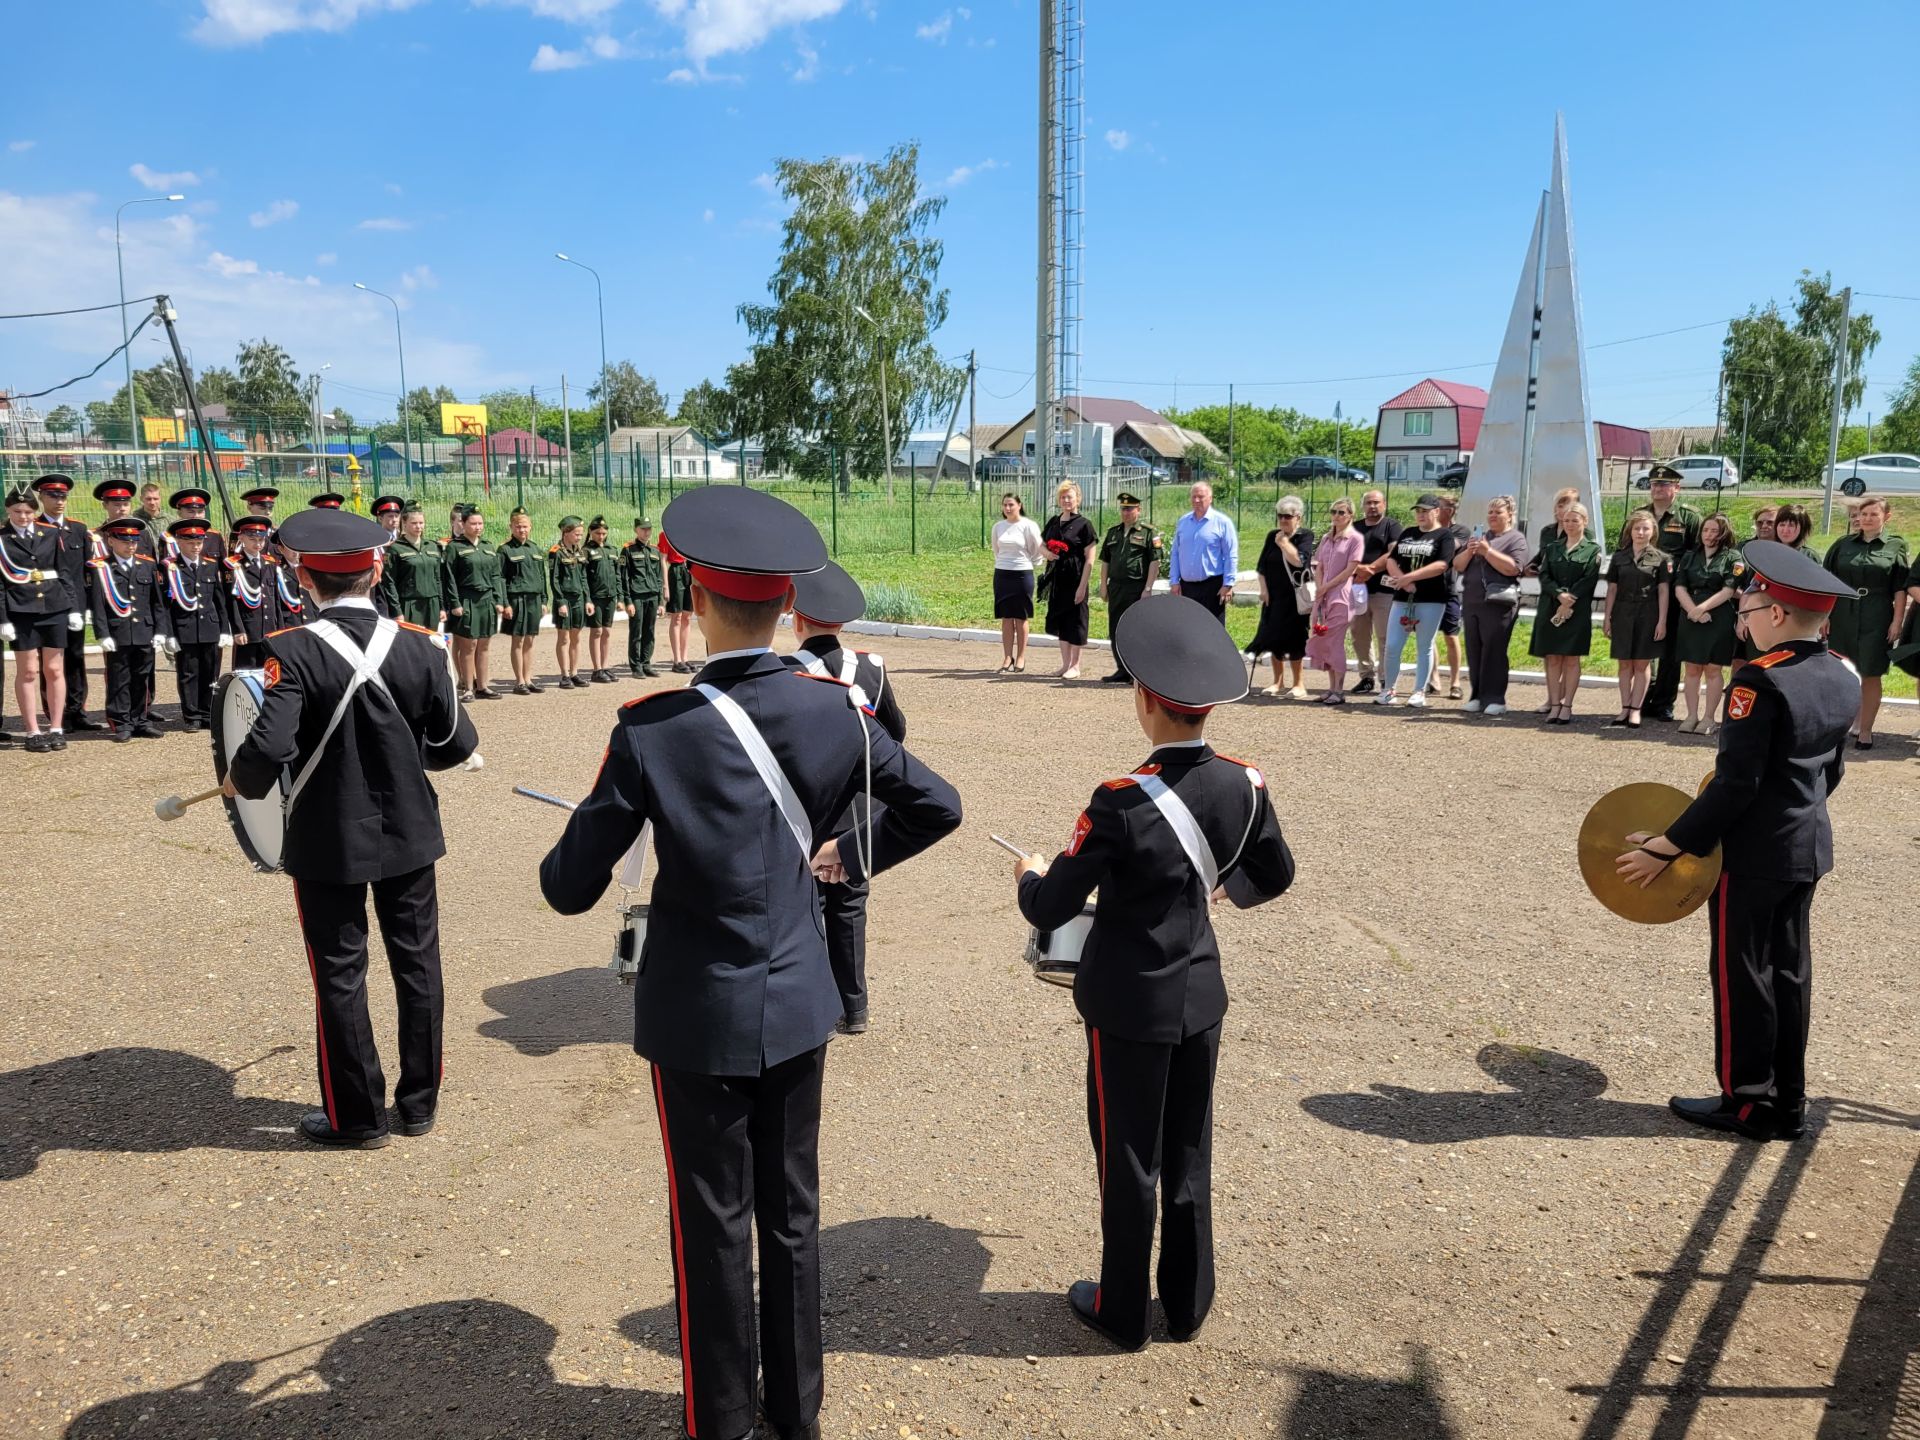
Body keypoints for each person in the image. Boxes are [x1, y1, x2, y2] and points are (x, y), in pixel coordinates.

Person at [538, 486, 961, 1440]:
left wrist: (600, 815)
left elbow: (567, 886)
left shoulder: (652, 727)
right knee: (794, 1216)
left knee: (711, 1222)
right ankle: (797, 1413)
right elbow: (938, 804)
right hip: (801, 996)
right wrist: (850, 856)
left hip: (695, 1013)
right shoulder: (837, 711)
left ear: (695, 601)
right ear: (783, 604)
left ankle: (721, 1421)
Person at [1015, 593, 1294, 1351]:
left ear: (1145, 701)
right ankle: (1188, 1298)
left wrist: (1028, 874)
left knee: (1129, 1157)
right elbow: (1276, 872)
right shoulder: (1246, 783)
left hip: (1129, 1002)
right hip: (1200, 993)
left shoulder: (1120, 802)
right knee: (1190, 1150)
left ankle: (1122, 1307)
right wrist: (1219, 891)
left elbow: (1051, 907)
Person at [224, 508, 479, 1149]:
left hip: (326, 836)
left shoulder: (290, 650)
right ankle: (419, 1105)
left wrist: (240, 777)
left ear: (305, 578)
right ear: (379, 567)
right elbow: (451, 744)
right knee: (419, 967)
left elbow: (270, 746)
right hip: (409, 834)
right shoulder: (422, 646)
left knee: (340, 972)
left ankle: (356, 1117)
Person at [1615, 542, 1859, 1141]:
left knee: (1742, 974)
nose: (1742, 623)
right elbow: (1832, 770)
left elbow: (1735, 786)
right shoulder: (1843, 672)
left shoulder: (1759, 680)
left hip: (1750, 855)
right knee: (1789, 974)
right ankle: (1787, 1101)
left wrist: (1668, 846)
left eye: (1746, 611)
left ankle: (1747, 1101)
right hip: (1805, 845)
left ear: (1775, 614)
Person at [781, 560, 909, 1036]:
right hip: (860, 808)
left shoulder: (786, 672)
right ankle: (854, 1008)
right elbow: (894, 732)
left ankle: (813, 1006)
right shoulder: (871, 667)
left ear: (797, 619)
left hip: (808, 811)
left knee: (807, 905)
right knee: (851, 905)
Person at [1820, 494, 1909, 750]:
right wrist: (1824, 616)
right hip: (1842, 613)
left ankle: (1865, 730)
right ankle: (1838, 727)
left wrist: (1897, 621)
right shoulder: (1843, 544)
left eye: (1873, 514)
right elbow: (1828, 582)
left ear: (1886, 517)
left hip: (1876, 613)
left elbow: (1900, 588)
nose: (1866, 519)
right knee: (1840, 671)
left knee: (1870, 673)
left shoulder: (1895, 546)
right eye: (1863, 514)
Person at [1623, 464, 1703, 722]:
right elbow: (1624, 549)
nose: (1658, 488)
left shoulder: (1689, 518)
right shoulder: (1638, 515)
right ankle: (1642, 699)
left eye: (1664, 484)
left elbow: (1696, 555)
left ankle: (1664, 701)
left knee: (1669, 649)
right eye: (1654, 484)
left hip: (1673, 591)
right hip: (1642, 591)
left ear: (1676, 488)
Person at [1, 485, 73, 752]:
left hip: (54, 607)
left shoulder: (51, 533)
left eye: (28, 511)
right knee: (28, 671)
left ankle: (56, 727)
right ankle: (32, 730)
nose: (23, 516)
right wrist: (3, 619)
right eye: (17, 511)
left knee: (54, 669)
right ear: (8, 510)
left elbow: (63, 572)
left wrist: (73, 608)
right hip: (20, 610)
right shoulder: (2, 538)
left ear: (35, 511)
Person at [88, 515, 169, 741]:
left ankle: (140, 720)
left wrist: (161, 631)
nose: (130, 545)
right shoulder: (102, 568)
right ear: (111, 541)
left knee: (142, 678)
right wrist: (102, 634)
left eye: (134, 541)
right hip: (118, 632)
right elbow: (98, 605)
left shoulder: (148, 564)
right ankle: (121, 722)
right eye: (124, 540)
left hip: (144, 630)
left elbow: (157, 603)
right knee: (119, 678)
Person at [1374, 494, 1458, 707]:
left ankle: (1419, 691)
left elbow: (1442, 565)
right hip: (1402, 598)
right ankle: (1389, 689)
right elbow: (1392, 559)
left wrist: (1410, 577)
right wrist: (1402, 581)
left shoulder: (1444, 536)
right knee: (1392, 645)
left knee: (1424, 645)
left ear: (1436, 511)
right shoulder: (1408, 533)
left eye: (1425, 511)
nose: (1420, 515)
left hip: (1431, 598)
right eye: (1418, 511)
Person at [31, 474, 96, 732]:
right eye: (52, 496)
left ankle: (77, 710)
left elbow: (88, 571)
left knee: (76, 658)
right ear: (41, 497)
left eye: (62, 496)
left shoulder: (78, 529)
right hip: (47, 606)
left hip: (76, 604)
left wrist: (88, 606)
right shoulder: (33, 528)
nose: (59, 501)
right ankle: (54, 713)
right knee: (50, 661)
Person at [1454, 495, 1530, 716]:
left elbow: (1514, 568)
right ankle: (1477, 695)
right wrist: (1470, 550)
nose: (1493, 516)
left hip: (1499, 604)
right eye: (1490, 512)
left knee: (1494, 651)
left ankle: (1495, 697)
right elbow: (1458, 565)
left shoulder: (1515, 539)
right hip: (1472, 601)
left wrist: (1487, 551)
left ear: (1510, 515)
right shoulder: (1478, 537)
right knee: (1475, 650)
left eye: (1498, 512)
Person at [1529, 501, 1600, 726]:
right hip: (1551, 606)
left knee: (1571, 659)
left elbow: (1589, 578)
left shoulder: (1593, 550)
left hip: (1576, 611)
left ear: (1584, 522)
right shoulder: (1552, 548)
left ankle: (1567, 705)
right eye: (1566, 520)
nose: (1569, 524)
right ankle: (1555, 704)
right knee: (1552, 658)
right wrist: (1559, 595)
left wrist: (1570, 600)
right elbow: (1544, 575)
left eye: (1574, 520)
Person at [160, 518, 231, 732]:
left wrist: (225, 629)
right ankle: (191, 715)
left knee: (211, 672)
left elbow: (219, 599)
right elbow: (165, 604)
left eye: (199, 541)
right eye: (190, 542)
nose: (196, 546)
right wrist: (169, 634)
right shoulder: (170, 568)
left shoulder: (210, 565)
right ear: (179, 542)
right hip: (185, 628)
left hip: (209, 626)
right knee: (188, 673)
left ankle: (207, 711)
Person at [1674, 513, 1742, 736]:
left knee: (1713, 669)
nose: (1708, 535)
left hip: (1718, 615)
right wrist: (1692, 610)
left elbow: (1729, 590)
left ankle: (1709, 718)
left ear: (1723, 533)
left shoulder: (1733, 558)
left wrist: (1702, 609)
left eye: (1714, 531)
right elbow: (1679, 586)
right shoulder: (1690, 556)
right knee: (1691, 667)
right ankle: (1691, 715)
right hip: (1690, 613)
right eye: (1705, 530)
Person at [1603, 511, 1672, 728]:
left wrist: (1662, 621)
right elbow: (1612, 589)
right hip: (1623, 613)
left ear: (1653, 532)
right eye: (1636, 528)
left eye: (1645, 528)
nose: (1640, 532)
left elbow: (1663, 591)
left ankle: (1636, 709)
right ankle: (1624, 708)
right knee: (1624, 664)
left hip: (1648, 613)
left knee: (1642, 664)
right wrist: (1607, 618)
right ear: (1630, 531)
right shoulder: (1619, 557)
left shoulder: (1662, 559)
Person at [1248, 496, 1315, 697]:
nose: (1284, 520)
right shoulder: (1271, 536)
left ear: (1298, 518)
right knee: (1273, 637)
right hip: (1273, 596)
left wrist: (1285, 543)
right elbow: (1261, 567)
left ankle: (1299, 684)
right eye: (1280, 516)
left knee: (1295, 639)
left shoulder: (1305, 536)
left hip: (1294, 597)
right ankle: (1277, 682)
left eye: (1288, 516)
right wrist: (1263, 589)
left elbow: (1299, 561)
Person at [442, 506, 504, 701]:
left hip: (486, 600)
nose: (478, 527)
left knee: (484, 644)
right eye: (473, 523)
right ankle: (468, 687)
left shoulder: (488, 546)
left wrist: (498, 599)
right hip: (466, 599)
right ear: (463, 524)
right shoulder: (455, 547)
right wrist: (455, 603)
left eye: (480, 523)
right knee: (469, 645)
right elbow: (449, 577)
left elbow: (496, 575)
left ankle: (483, 686)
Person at [1097, 491, 1159, 683]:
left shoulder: (1148, 532)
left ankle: (1136, 672)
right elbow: (1106, 561)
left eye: (1130, 509)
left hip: (1136, 587)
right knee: (1116, 628)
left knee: (1135, 630)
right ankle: (1122, 669)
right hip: (1116, 587)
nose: (1126, 512)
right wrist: (1103, 585)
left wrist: (1148, 588)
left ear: (1138, 510)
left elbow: (1155, 562)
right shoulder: (1113, 532)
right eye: (1123, 509)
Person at [1305, 498, 1362, 703]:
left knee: (1335, 642)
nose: (1336, 516)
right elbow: (1319, 565)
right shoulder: (1326, 539)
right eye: (1334, 512)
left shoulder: (1355, 539)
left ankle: (1339, 689)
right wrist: (1320, 587)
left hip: (1341, 596)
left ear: (1350, 515)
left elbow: (1350, 570)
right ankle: (1331, 687)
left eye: (1341, 512)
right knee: (1324, 640)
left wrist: (1327, 587)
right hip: (1323, 597)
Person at [1346, 489, 1403, 694]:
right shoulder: (1354, 527)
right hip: (1357, 589)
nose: (1372, 506)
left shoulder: (1392, 526)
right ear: (1363, 506)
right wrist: (1357, 571)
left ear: (1384, 504)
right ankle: (1366, 676)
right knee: (1359, 636)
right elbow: (1345, 552)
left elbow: (1393, 552)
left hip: (1384, 591)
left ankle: (1386, 679)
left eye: (1376, 502)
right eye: (1368, 503)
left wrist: (1371, 569)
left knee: (1385, 636)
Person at [1042, 481, 1099, 679]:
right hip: (1058, 580)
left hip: (1076, 579)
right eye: (1063, 497)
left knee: (1076, 622)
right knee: (1061, 621)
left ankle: (1075, 665)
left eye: (1070, 497)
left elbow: (1090, 557)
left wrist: (1082, 587)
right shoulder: (1053, 522)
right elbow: (1041, 544)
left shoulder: (1084, 525)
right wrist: (1046, 554)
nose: (1066, 500)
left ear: (1078, 499)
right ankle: (1065, 664)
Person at [1166, 480, 1238, 624]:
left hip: (1212, 587)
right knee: (1189, 628)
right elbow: (1175, 553)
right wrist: (1174, 582)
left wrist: (1228, 584)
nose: (1197, 500)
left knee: (1213, 628)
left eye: (1201, 496)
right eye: (1194, 496)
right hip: (1187, 587)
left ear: (1210, 499)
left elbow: (1230, 554)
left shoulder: (1222, 522)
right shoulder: (1183, 522)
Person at [991, 492, 1046, 673]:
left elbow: (1037, 548)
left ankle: (1021, 657)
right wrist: (1003, 563)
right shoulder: (998, 527)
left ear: (1019, 505)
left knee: (1021, 617)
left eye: (1011, 505)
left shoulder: (1028, 525)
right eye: (1005, 505)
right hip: (1002, 574)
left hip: (1022, 574)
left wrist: (1031, 563)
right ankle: (1007, 657)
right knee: (1006, 617)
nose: (1008, 508)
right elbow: (996, 549)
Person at [497, 507, 548, 695]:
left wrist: (544, 599)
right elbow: (500, 578)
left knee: (530, 641)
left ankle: (528, 678)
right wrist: (505, 603)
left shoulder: (534, 548)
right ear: (511, 527)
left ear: (531, 527)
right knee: (518, 641)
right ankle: (519, 681)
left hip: (534, 599)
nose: (522, 530)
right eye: (518, 527)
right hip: (516, 599)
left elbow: (542, 576)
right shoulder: (505, 550)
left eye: (525, 526)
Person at [226, 515, 288, 667]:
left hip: (269, 629)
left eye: (261, 539)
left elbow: (276, 600)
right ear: (241, 538)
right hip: (249, 630)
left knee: (269, 673)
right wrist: (238, 630)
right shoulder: (234, 565)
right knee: (247, 673)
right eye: (252, 539)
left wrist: (280, 628)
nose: (257, 543)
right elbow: (232, 602)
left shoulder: (270, 563)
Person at [378, 505, 445, 630]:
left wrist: (441, 607)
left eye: (421, 523)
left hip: (432, 604)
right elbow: (389, 582)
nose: (418, 527)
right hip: (409, 604)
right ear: (404, 522)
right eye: (414, 523)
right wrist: (397, 611)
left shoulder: (432, 546)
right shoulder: (395, 549)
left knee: (431, 644)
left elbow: (438, 579)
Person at [1430, 493, 1468, 699]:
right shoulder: (1426, 530)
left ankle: (1455, 682)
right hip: (1427, 591)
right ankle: (1434, 679)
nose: (1434, 510)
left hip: (1449, 589)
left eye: (1440, 506)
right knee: (1428, 637)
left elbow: (1448, 547)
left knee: (1451, 636)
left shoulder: (1460, 531)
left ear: (1450, 511)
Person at [547, 515, 591, 687]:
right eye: (576, 534)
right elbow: (554, 579)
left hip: (579, 599)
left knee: (576, 637)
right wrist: (560, 602)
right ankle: (564, 674)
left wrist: (588, 599)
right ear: (566, 533)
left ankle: (574, 673)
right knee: (564, 638)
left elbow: (583, 577)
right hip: (565, 599)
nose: (579, 537)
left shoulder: (579, 551)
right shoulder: (556, 552)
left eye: (580, 534)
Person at [620, 517, 664, 678]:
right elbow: (624, 577)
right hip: (637, 596)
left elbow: (658, 577)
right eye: (643, 529)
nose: (646, 532)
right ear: (636, 530)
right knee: (636, 632)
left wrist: (661, 602)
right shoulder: (628, 549)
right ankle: (636, 666)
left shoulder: (655, 550)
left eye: (649, 529)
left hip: (652, 595)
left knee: (650, 631)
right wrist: (628, 601)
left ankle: (646, 663)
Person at [583, 516, 621, 684]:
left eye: (604, 533)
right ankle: (596, 669)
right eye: (597, 533)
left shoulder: (612, 549)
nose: (601, 536)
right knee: (596, 631)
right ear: (591, 532)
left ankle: (605, 667)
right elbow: (583, 577)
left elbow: (618, 574)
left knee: (606, 632)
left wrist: (619, 596)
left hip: (610, 596)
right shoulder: (585, 551)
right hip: (595, 597)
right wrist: (587, 599)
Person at [659, 529, 696, 673]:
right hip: (675, 571)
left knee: (687, 615)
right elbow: (663, 559)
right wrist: (665, 585)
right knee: (677, 616)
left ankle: (685, 657)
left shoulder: (689, 533)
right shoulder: (665, 534)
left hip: (689, 570)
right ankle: (677, 659)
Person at [92, 480, 158, 559]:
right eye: (117, 505)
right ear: (105, 505)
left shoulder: (142, 534)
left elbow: (151, 565)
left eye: (126, 504)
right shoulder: (97, 536)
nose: (122, 509)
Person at [167, 488, 228, 564]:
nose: (196, 516)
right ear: (179, 513)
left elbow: (224, 568)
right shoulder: (169, 538)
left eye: (200, 512)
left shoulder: (215, 536)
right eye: (191, 512)